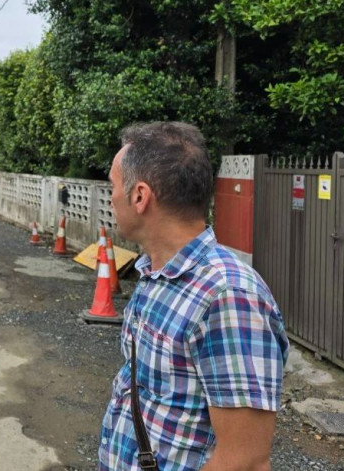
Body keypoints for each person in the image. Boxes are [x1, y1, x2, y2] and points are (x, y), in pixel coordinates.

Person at [98, 122, 288, 470]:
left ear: (140, 196)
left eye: (112, 186)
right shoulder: (156, 273)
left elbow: (245, 460)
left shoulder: (228, 296)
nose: (110, 198)